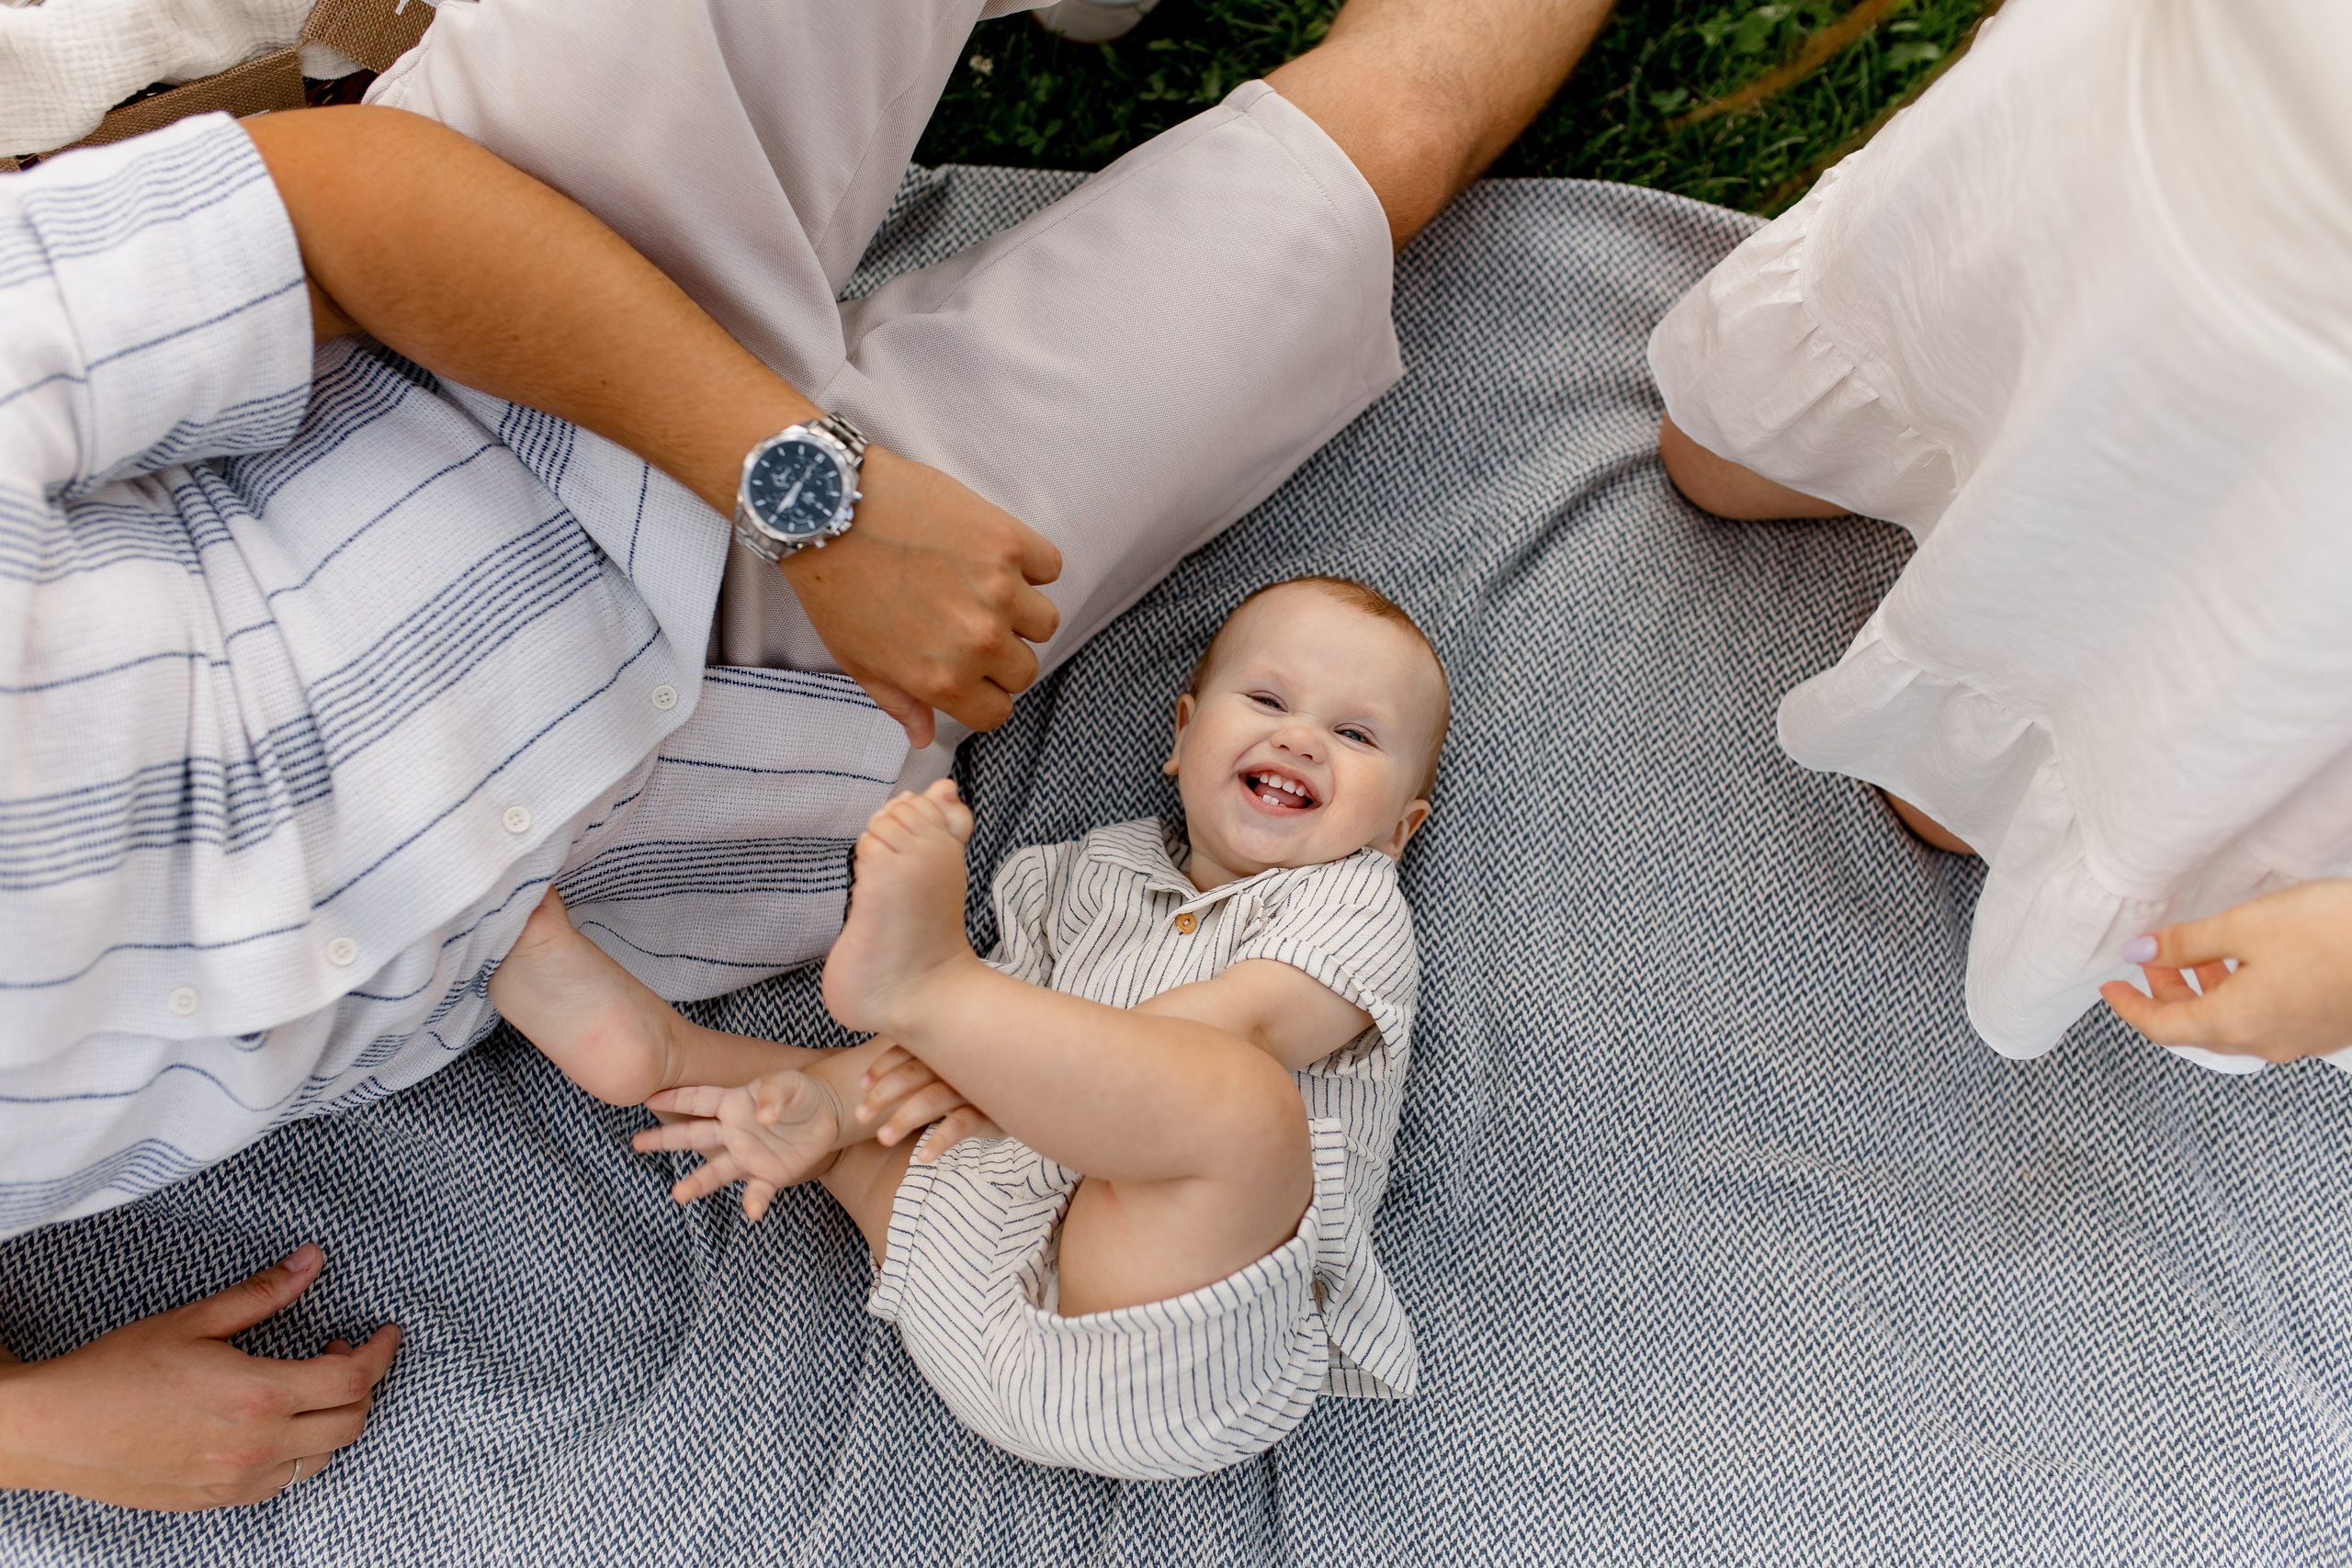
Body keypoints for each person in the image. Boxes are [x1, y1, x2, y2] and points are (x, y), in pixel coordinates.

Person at [0, 0, 1614, 1511]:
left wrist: (807, 488)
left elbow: (317, 211)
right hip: (746, 781)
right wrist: (40, 1431)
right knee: (1371, 162)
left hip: (495, 338)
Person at [490, 577, 1443, 1479]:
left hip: (1164, 1340)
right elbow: (929, 1071)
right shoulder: (1082, 875)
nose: (1303, 740)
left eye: (1355, 733)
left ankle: (928, 992)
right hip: (962, 1281)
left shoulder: (1350, 901)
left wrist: (973, 1040)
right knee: (878, 1093)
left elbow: (1248, 1026)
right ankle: (669, 1053)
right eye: (1269, 702)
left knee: (1242, 1104)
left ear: (1399, 829)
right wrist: (859, 1094)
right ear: (1182, 738)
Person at [1644, 0, 2352, 1071]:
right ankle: (1964, 459)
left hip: (2303, 483)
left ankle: (2064, 679)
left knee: (1939, 802)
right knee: (1711, 459)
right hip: (2148, 146)